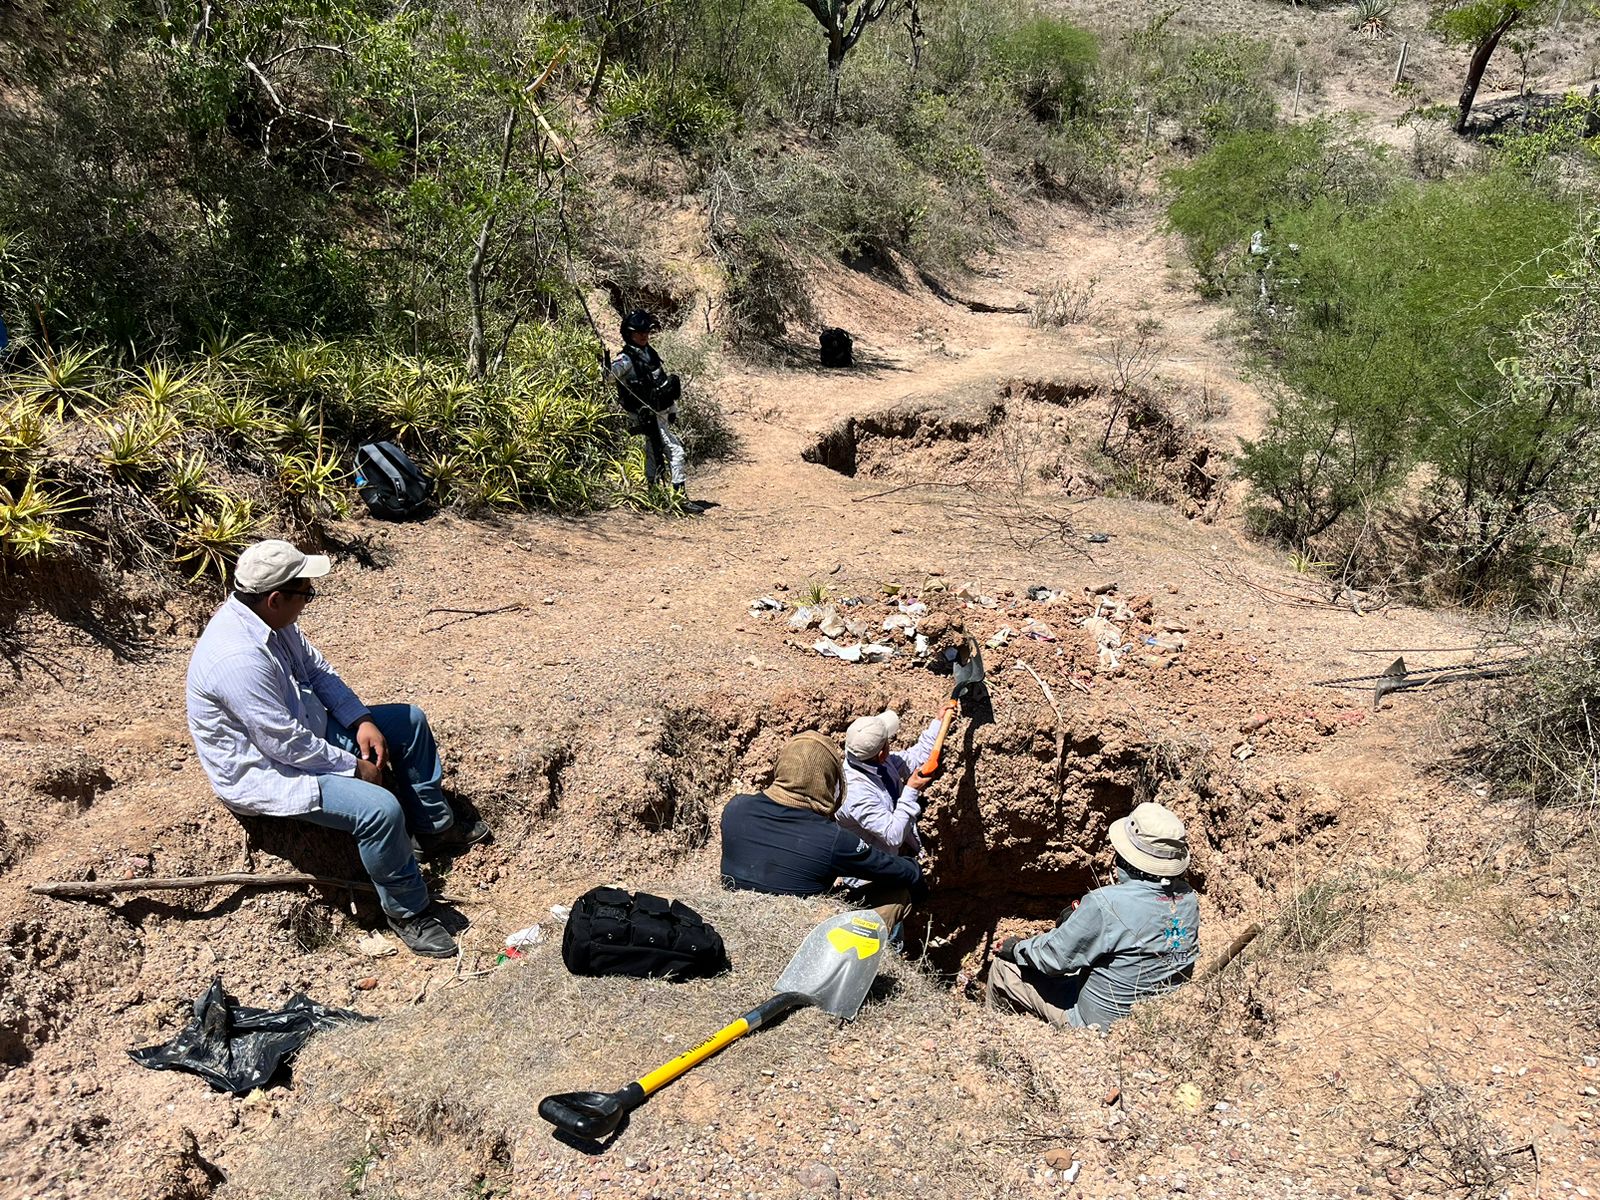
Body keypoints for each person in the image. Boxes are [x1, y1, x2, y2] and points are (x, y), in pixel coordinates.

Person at [185, 540, 490, 958]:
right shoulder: (237, 657)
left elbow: (317, 671)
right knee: (380, 812)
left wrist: (360, 719)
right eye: (306, 593)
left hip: (307, 731)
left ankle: (433, 830)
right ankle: (408, 912)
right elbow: (283, 743)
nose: (309, 599)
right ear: (275, 598)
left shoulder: (270, 620)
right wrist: (352, 767)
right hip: (269, 769)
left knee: (408, 723)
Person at [986, 801, 1199, 1029]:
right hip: (1152, 1023)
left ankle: (998, 1034)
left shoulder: (1105, 903)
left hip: (1098, 1024)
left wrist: (1016, 948)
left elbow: (1054, 959)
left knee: (1002, 968)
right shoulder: (1188, 899)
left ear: (1125, 857)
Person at [720, 731, 924, 932]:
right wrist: (915, 871)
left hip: (742, 922)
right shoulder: (832, 839)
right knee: (896, 894)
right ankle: (884, 958)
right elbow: (896, 871)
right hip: (802, 933)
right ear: (826, 780)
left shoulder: (735, 808)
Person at [837, 706, 949, 865]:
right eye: (887, 741)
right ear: (881, 753)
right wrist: (911, 790)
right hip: (871, 871)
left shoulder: (872, 760)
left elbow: (915, 758)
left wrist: (939, 722)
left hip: (895, 853)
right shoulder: (856, 793)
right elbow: (892, 835)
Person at [609, 308, 690, 502]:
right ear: (629, 334)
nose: (644, 335)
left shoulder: (650, 354)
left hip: (660, 411)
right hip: (647, 415)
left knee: (653, 453)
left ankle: (653, 495)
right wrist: (606, 369)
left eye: (646, 332)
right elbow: (612, 376)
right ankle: (680, 498)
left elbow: (661, 382)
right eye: (639, 332)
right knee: (676, 452)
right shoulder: (626, 358)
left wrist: (672, 409)